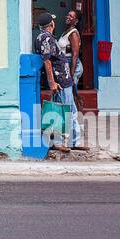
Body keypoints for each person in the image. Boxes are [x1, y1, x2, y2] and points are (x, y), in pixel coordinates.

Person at [35, 13, 80, 150]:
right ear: (51, 24)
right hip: (60, 80)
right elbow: (47, 61)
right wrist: (52, 82)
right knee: (64, 111)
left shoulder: (44, 37)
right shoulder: (46, 38)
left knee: (70, 110)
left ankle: (74, 142)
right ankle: (60, 142)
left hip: (64, 80)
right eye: (53, 21)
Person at [58, 10, 83, 89]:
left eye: (71, 16)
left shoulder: (74, 33)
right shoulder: (65, 32)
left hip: (71, 65)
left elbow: (75, 54)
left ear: (76, 21)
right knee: (67, 93)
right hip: (65, 64)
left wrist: (71, 75)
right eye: (68, 15)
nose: (68, 17)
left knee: (70, 93)